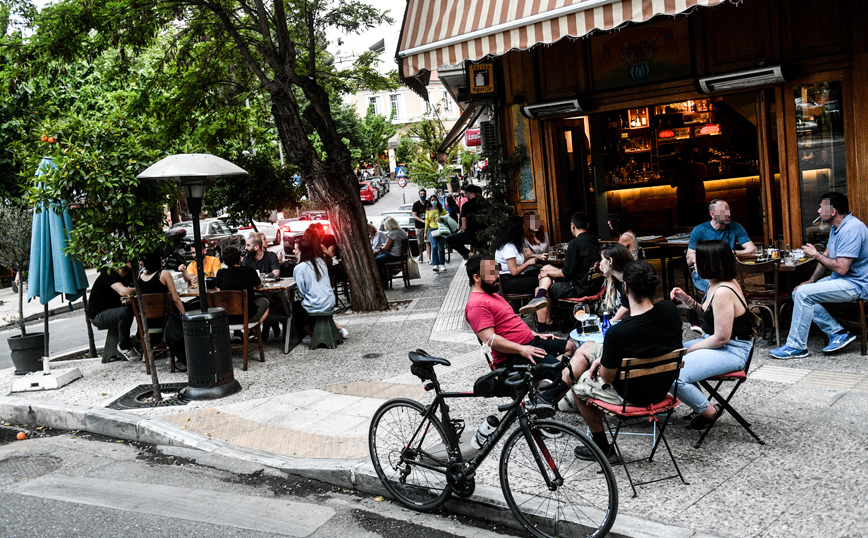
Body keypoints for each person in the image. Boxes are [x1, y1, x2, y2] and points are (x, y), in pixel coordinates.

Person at [569, 260, 683, 462]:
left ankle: (603, 449)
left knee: (579, 387)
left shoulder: (618, 332)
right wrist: (604, 358)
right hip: (662, 388)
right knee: (589, 351)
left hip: (633, 396)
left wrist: (600, 367)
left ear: (626, 287)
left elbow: (607, 377)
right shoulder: (670, 311)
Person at [464, 255, 584, 409]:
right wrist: (522, 349)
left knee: (570, 347)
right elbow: (490, 339)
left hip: (530, 341)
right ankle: (541, 405)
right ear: (476, 277)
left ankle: (544, 388)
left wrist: (536, 334)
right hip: (513, 356)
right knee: (562, 372)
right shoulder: (476, 304)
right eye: (491, 273)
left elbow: (511, 324)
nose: (497, 276)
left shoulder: (493, 295)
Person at [770, 192, 868, 358]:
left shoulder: (852, 230)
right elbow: (828, 256)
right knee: (799, 291)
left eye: (821, 207)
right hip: (843, 280)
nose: (818, 210)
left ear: (833, 211)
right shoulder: (836, 228)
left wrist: (815, 255)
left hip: (856, 284)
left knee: (803, 294)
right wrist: (811, 280)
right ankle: (837, 332)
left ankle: (796, 346)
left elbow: (842, 268)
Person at [670, 240, 754, 430]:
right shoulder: (714, 283)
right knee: (666, 357)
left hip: (731, 350)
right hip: (720, 345)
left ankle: (709, 412)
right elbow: (709, 316)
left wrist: (689, 349)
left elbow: (721, 338)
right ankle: (699, 404)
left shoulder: (724, 290)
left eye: (698, 260)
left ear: (711, 262)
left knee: (672, 374)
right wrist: (687, 300)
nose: (693, 264)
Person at [519, 212, 601, 332]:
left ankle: (544, 322)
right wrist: (548, 271)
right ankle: (545, 312)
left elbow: (566, 273)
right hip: (591, 285)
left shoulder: (574, 244)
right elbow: (569, 271)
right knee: (546, 268)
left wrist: (548, 273)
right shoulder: (594, 241)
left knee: (541, 287)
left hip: (579, 289)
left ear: (572, 226)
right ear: (587, 225)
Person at [687, 199, 757, 294]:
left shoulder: (736, 227)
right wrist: (706, 256)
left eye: (728, 210)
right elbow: (689, 259)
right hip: (705, 273)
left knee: (732, 289)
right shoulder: (699, 230)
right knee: (720, 290)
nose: (728, 214)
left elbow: (753, 250)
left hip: (726, 272)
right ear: (712, 214)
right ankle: (709, 307)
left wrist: (733, 253)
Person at [292, 238, 348, 344]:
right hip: (329, 300)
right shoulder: (321, 262)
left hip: (316, 303)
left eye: (295, 250)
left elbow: (301, 291)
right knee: (308, 304)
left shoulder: (300, 268)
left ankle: (313, 335)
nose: (294, 252)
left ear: (302, 251)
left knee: (296, 307)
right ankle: (337, 329)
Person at [138, 250, 187, 369]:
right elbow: (175, 298)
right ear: (160, 260)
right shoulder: (163, 274)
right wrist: (185, 315)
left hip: (148, 322)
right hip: (166, 321)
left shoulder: (139, 277)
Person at [88, 263, 139, 361]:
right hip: (98, 316)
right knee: (126, 312)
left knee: (137, 308)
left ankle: (138, 338)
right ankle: (124, 347)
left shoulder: (128, 275)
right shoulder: (109, 273)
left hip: (111, 310)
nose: (130, 262)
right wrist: (139, 289)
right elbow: (124, 291)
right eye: (127, 260)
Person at [216, 246, 269, 326]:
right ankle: (253, 329)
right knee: (265, 301)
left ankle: (238, 334)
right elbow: (258, 285)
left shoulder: (221, 274)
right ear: (240, 259)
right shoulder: (249, 271)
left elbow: (217, 288)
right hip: (248, 315)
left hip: (227, 316)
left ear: (224, 262)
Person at [494, 216, 546, 295]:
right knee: (540, 280)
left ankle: (539, 300)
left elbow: (517, 261)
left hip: (513, 278)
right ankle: (539, 301)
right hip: (509, 281)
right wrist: (528, 263)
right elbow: (514, 271)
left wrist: (534, 256)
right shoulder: (508, 247)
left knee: (541, 273)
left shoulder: (510, 245)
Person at [670, 146, 708, 226]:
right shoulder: (700, 167)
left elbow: (673, 184)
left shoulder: (678, 169)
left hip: (684, 205)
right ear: (692, 156)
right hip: (699, 204)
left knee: (686, 229)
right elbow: (704, 175)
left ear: (681, 157)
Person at [446, 184, 483, 259]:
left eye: (465, 194)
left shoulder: (466, 205)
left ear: (469, 193)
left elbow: (465, 226)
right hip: (484, 234)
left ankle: (469, 254)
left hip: (471, 235)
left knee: (449, 239)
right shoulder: (485, 204)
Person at [599, 243, 634, 321]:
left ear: (610, 261)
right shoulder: (615, 280)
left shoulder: (629, 283)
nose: (600, 263)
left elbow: (624, 311)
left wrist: (606, 325)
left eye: (602, 259)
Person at [375, 217, 408, 284]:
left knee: (376, 261)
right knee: (381, 256)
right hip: (403, 255)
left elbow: (387, 248)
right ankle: (386, 278)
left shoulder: (392, 233)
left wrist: (382, 247)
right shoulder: (402, 231)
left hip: (395, 255)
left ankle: (383, 280)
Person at [425, 196, 448, 272]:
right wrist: (425, 232)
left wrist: (442, 219)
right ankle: (435, 264)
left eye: (435, 200)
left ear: (437, 200)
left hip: (441, 229)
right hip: (432, 230)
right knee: (434, 247)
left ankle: (442, 264)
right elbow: (427, 222)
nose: (433, 201)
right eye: (432, 200)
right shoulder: (428, 210)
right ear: (430, 201)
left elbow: (447, 216)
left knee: (441, 247)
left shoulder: (441, 209)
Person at [412, 188, 428, 262]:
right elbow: (414, 215)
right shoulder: (416, 204)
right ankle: (421, 254)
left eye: (424, 194)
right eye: (421, 194)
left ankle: (429, 257)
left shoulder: (428, 203)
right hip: (419, 226)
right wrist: (422, 220)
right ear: (419, 195)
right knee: (420, 242)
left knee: (428, 242)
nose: (422, 195)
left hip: (428, 226)